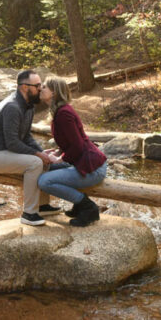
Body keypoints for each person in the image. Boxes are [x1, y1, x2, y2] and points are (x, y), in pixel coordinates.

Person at [0, 69, 61, 226]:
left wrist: (42, 153)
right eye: (37, 85)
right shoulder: (12, 107)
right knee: (35, 163)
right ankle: (29, 213)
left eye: (40, 85)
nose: (41, 88)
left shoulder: (29, 106)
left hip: (3, 151)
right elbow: (12, 143)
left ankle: (42, 206)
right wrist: (37, 155)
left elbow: (26, 137)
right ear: (24, 87)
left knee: (42, 159)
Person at [38, 76, 107, 227]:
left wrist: (59, 159)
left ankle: (88, 207)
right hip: (84, 163)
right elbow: (71, 143)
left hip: (92, 168)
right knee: (44, 167)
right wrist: (56, 152)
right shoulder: (59, 112)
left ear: (54, 92)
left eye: (44, 87)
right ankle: (78, 206)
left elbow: (77, 146)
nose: (40, 89)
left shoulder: (64, 113)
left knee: (44, 181)